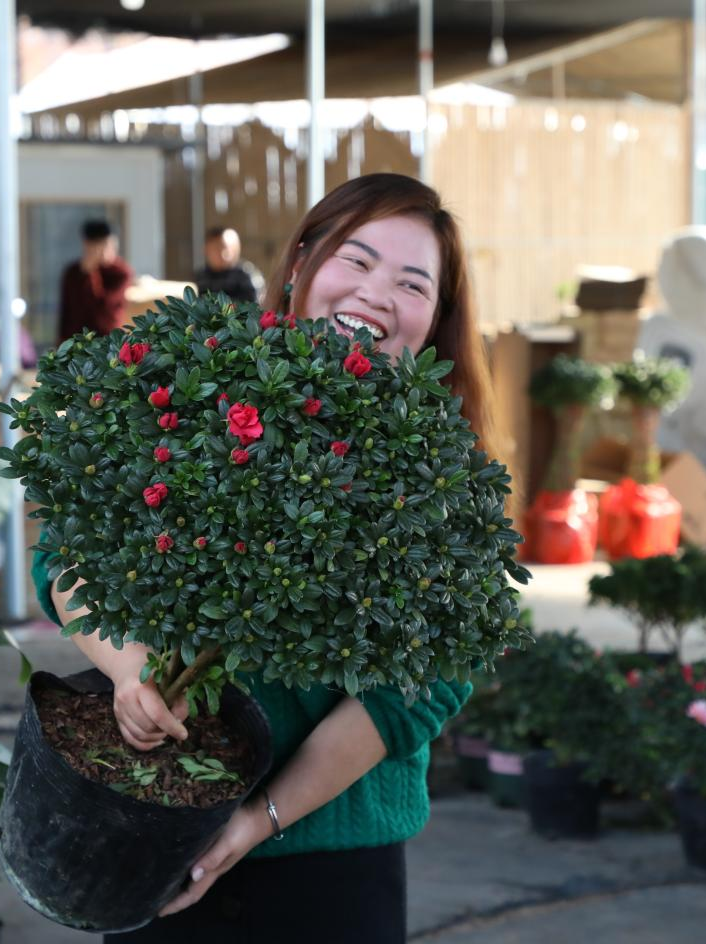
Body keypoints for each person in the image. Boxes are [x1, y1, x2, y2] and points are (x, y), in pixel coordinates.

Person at [32, 173, 498, 943]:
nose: (377, 293)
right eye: (356, 260)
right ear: (301, 262)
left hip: (334, 862)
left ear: (435, 320)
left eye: (412, 283)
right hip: (159, 818)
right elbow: (66, 554)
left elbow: (421, 684)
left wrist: (258, 818)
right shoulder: (191, 391)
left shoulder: (446, 471)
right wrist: (129, 671)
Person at [57, 219, 134, 343]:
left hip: (107, 342)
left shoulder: (120, 273)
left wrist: (90, 273)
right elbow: (66, 311)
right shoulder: (72, 272)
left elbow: (103, 305)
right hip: (76, 341)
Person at [193, 226, 266, 304]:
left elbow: (255, 307)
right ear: (206, 249)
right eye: (216, 249)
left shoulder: (247, 276)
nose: (222, 254)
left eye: (226, 249)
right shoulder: (201, 277)